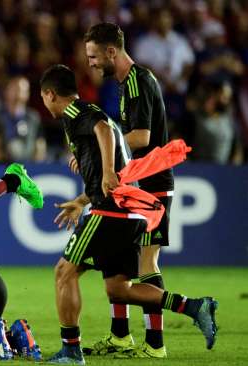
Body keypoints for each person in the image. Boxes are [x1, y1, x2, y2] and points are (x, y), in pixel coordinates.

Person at [39, 64, 217, 365]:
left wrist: (107, 171)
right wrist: (84, 198)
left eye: (43, 98)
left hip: (112, 211)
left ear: (50, 94)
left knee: (63, 273)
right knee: (119, 289)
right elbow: (109, 149)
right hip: (128, 211)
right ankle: (194, 307)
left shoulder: (76, 114)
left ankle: (71, 351)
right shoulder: (91, 110)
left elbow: (105, 131)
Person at [83, 22, 178, 358]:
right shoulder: (127, 83)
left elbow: (142, 137)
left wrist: (99, 151)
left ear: (111, 51)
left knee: (148, 264)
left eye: (94, 56)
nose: (91, 63)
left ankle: (156, 345)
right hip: (138, 184)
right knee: (120, 262)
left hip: (154, 187)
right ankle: (121, 336)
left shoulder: (137, 81)